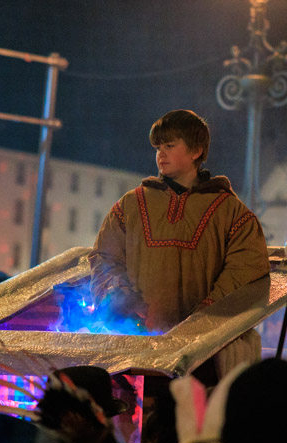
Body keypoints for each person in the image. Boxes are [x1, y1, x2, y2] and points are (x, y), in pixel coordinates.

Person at [88, 110, 269, 375]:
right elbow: (104, 257)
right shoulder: (131, 205)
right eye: (158, 147)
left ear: (196, 150)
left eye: (169, 146)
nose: (160, 153)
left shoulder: (231, 211)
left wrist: (204, 318)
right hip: (137, 349)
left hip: (205, 355)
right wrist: (121, 296)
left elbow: (247, 270)